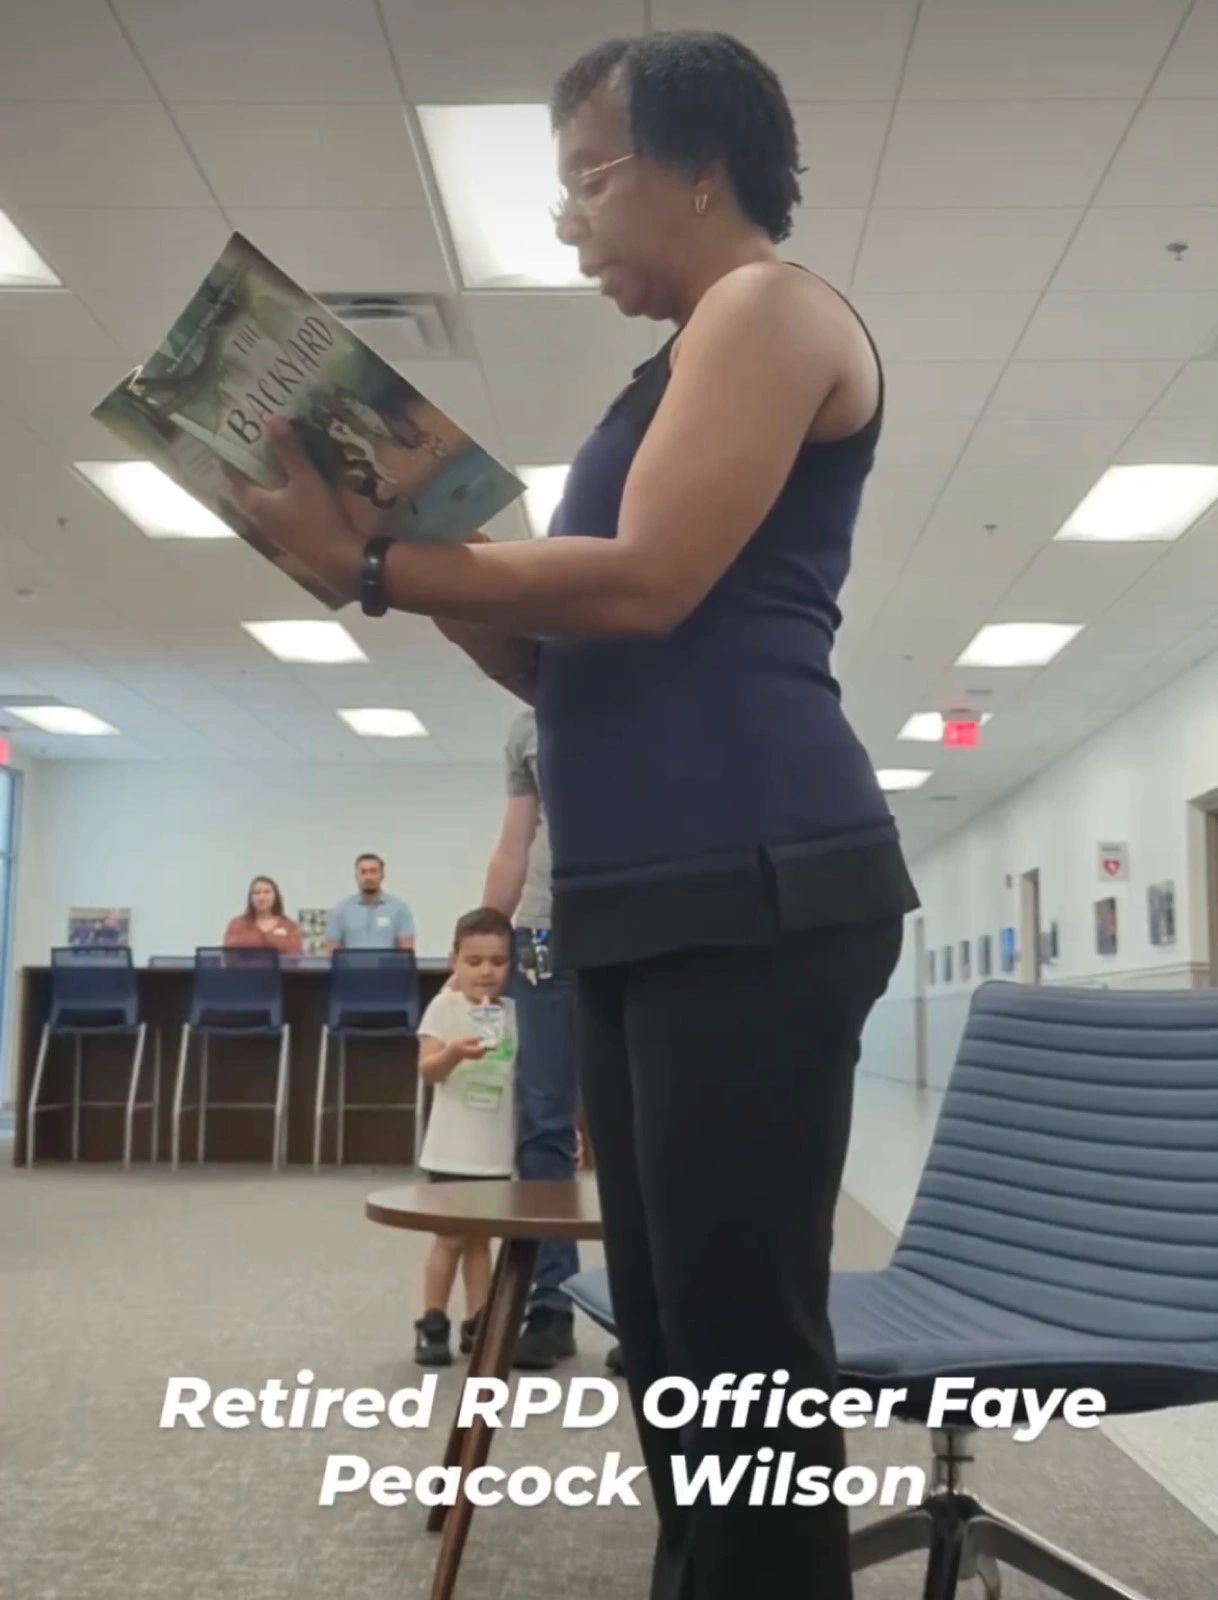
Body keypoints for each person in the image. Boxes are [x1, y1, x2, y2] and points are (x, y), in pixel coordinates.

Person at [232, 29, 920, 1599]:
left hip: (750, 882)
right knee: (670, 1342)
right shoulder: (663, 369)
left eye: (588, 179)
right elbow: (558, 655)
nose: (567, 222)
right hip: (640, 898)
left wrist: (369, 568)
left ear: (700, 166)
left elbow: (648, 579)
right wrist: (405, 565)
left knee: (736, 1363)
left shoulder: (766, 306)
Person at [482, 707, 581, 1371]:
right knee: (544, 1123)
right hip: (545, 936)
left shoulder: (652, 678)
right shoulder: (528, 724)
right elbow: (515, 843)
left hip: (644, 926)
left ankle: (647, 1306)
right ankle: (552, 1303)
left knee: (644, 1127)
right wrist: (485, 941)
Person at [413, 907, 517, 1366]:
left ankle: (479, 1323)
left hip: (493, 1154)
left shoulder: (513, 1012)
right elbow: (428, 1069)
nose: (486, 971)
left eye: (497, 961)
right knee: (449, 1239)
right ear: (454, 960)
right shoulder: (444, 1007)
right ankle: (432, 1321)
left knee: (482, 1242)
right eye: (474, 961)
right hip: (452, 1150)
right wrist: (454, 1052)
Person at [324, 853, 415, 952]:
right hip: (352, 967)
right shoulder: (341, 909)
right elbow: (331, 953)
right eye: (363, 872)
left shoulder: (399, 908)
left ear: (382, 875)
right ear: (356, 876)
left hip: (388, 967)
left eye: (373, 871)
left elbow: (407, 952)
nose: (368, 877)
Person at [222, 876, 302, 954]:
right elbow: (229, 954)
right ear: (251, 898)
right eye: (257, 893)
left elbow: (295, 956)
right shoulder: (237, 924)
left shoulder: (289, 926)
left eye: (267, 892)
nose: (262, 897)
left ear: (276, 896)